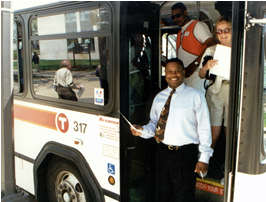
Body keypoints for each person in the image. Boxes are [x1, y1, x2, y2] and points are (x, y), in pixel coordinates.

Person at [130, 58, 213, 202]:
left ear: (184, 72)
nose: (173, 74)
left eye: (177, 71)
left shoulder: (196, 96)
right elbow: (155, 124)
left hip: (186, 154)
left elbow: (204, 128)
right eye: (169, 71)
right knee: (163, 194)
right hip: (163, 153)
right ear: (165, 73)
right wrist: (142, 131)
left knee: (184, 196)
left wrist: (204, 158)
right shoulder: (159, 97)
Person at [199, 16, 232, 149]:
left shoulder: (242, 49)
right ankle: (205, 162)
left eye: (226, 30)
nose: (223, 34)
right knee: (213, 132)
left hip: (234, 90)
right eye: (219, 31)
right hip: (215, 92)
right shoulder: (211, 50)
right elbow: (201, 75)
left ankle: (230, 164)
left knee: (231, 130)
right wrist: (207, 67)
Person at [171, 2, 216, 93]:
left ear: (185, 13)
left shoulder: (197, 26)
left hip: (197, 76)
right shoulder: (180, 33)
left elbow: (212, 45)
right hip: (184, 77)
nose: (176, 19)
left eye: (178, 15)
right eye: (173, 17)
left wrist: (195, 63)